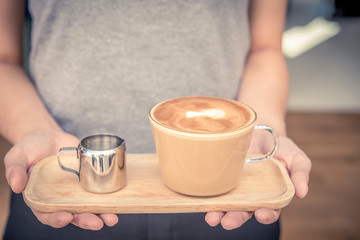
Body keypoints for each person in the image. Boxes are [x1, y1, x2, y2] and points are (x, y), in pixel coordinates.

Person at [0, 0, 311, 239]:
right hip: (66, 185)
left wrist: (260, 130)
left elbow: (265, 48)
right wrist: (35, 130)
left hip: (231, 198)